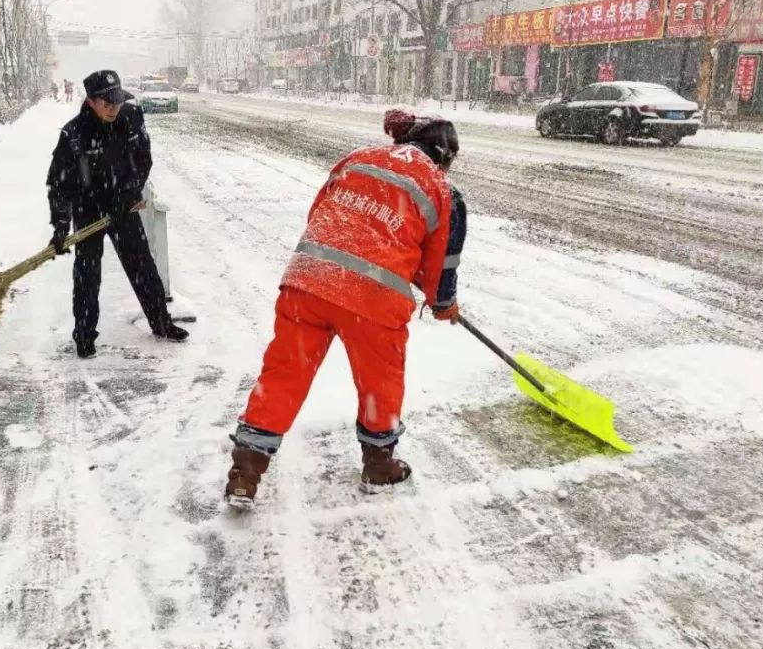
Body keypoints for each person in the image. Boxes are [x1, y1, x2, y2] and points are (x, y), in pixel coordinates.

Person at [223, 109, 467, 508]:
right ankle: (379, 466)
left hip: (308, 280)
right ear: (445, 156)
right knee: (379, 384)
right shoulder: (443, 190)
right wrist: (443, 304)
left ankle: (244, 474)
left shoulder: (359, 158)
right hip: (373, 300)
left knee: (284, 374)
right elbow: (442, 266)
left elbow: (322, 211)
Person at [46, 70, 190, 359]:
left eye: (117, 101)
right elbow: (59, 184)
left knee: (143, 266)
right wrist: (61, 227)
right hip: (88, 210)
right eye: (107, 103)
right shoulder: (73, 134)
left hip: (122, 205)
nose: (114, 108)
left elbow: (142, 158)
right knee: (87, 273)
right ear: (90, 101)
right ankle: (84, 336)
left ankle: (162, 324)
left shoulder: (130, 118)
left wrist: (130, 192)